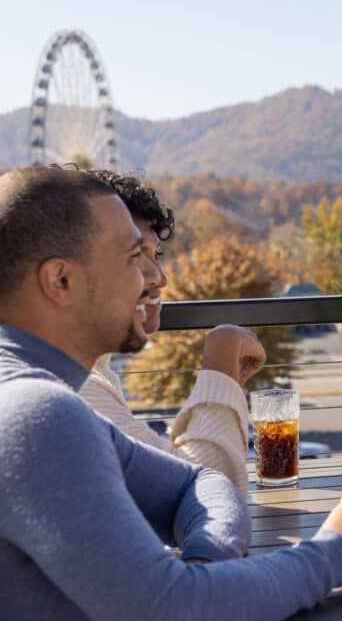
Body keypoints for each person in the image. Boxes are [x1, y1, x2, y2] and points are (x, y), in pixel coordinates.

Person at [0, 167, 342, 620]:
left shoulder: (40, 399)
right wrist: (334, 556)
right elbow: (172, 608)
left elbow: (200, 482)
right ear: (60, 281)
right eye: (132, 257)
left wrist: (207, 569)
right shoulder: (37, 415)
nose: (152, 276)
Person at [77, 168, 263, 494]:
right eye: (133, 256)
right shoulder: (72, 385)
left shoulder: (90, 372)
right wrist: (222, 354)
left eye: (155, 254)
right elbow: (204, 493)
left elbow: (159, 472)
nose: (159, 278)